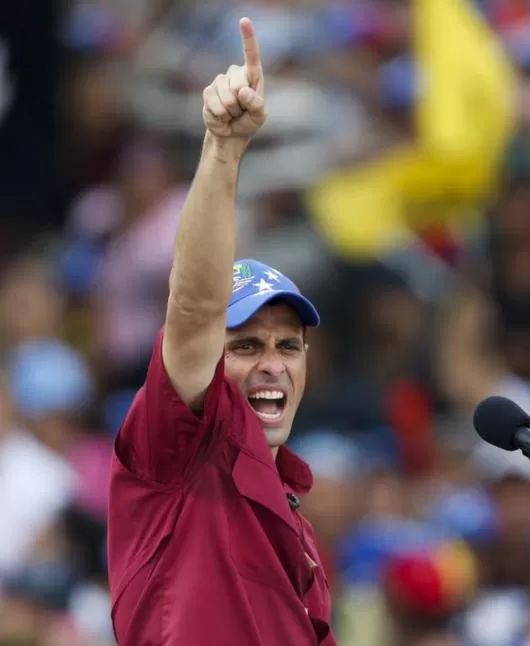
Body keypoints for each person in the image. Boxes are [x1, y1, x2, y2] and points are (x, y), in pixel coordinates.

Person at [106, 18, 337, 646]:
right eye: (245, 345)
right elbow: (193, 309)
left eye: (288, 345)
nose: (272, 364)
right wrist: (223, 150)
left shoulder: (294, 515)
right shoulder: (176, 452)